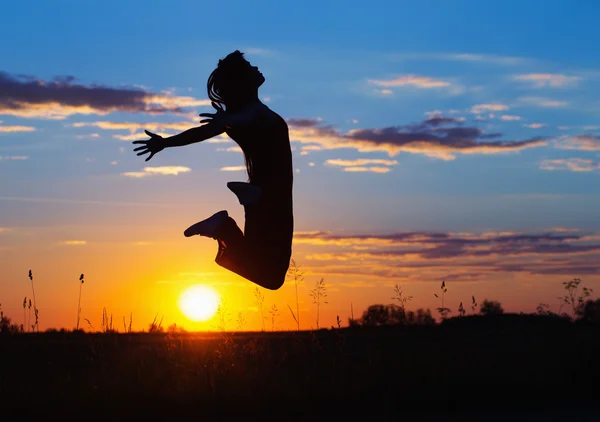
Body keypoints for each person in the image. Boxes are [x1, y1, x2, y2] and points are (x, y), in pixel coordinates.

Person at [132, 50, 293, 290]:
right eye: (249, 66)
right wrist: (225, 121)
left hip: (267, 195)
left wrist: (166, 142)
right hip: (270, 196)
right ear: (242, 80)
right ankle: (222, 228)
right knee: (271, 275)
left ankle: (224, 228)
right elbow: (238, 121)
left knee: (265, 268)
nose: (256, 68)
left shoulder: (247, 112)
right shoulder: (250, 113)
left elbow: (202, 132)